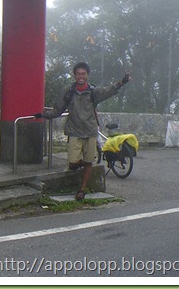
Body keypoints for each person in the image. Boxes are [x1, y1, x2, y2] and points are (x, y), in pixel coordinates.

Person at [35, 62, 131, 201]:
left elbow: (108, 90)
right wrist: (42, 114)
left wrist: (122, 82)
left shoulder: (93, 91)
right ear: (74, 75)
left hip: (90, 131)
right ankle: (84, 164)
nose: (81, 76)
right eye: (78, 74)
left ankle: (82, 190)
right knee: (73, 162)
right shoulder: (68, 91)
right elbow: (58, 110)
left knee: (88, 162)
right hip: (74, 131)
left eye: (83, 74)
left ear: (87, 75)